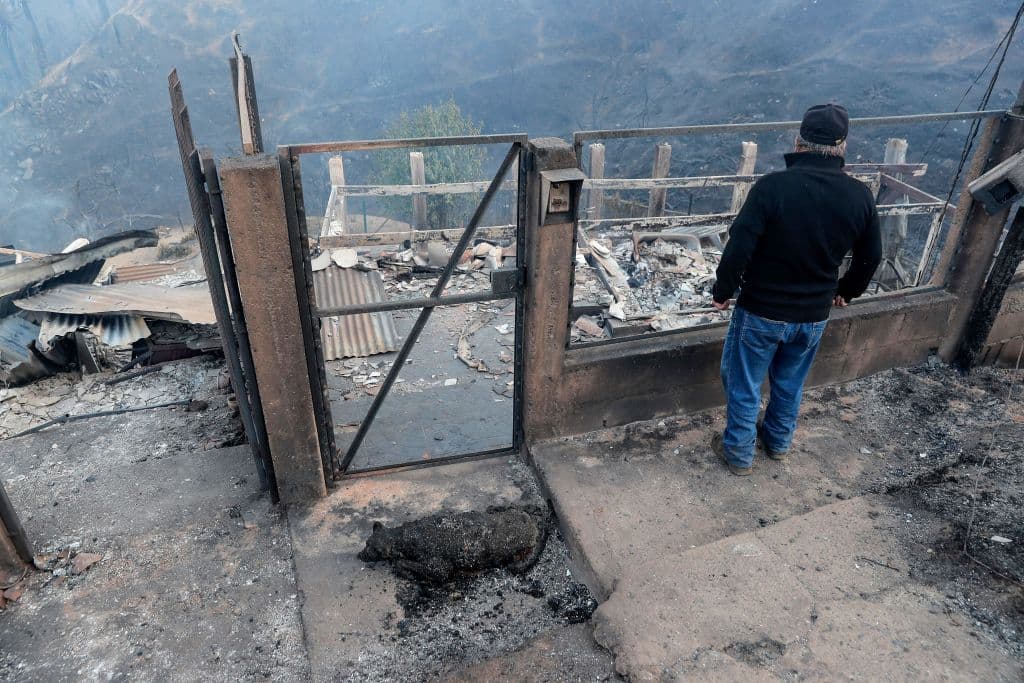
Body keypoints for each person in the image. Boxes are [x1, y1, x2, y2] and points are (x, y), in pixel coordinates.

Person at [710, 103, 882, 476]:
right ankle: (778, 443)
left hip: (761, 309)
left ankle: (739, 454)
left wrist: (723, 290)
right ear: (842, 147)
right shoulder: (859, 196)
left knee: (743, 383)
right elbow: (871, 256)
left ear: (798, 142)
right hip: (814, 314)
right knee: (789, 383)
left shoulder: (773, 187)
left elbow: (740, 243)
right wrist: (846, 291)